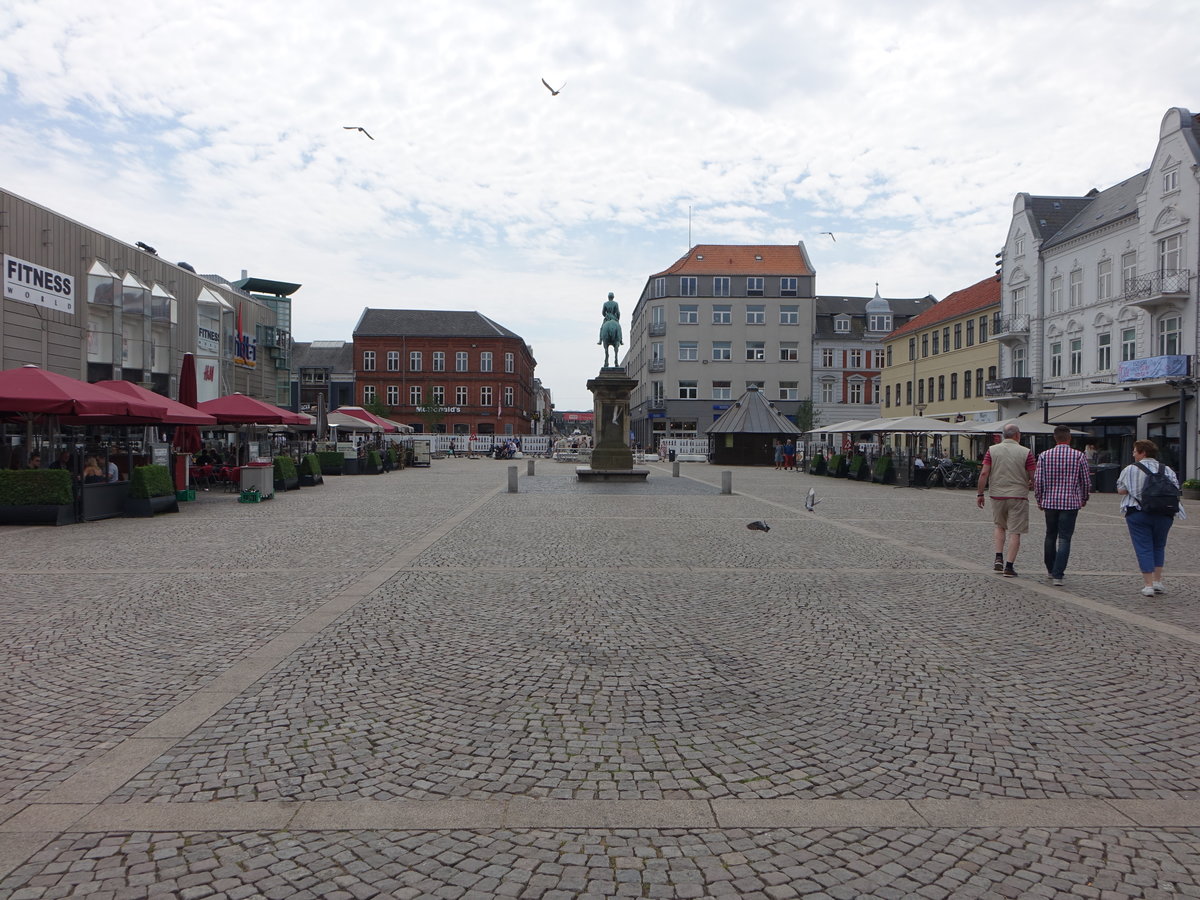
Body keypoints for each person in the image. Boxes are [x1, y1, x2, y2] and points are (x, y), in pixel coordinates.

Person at [1116, 439, 1187, 596]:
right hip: (1165, 513)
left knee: (1144, 547)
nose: (1133, 454)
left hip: (1138, 512)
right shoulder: (1166, 469)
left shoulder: (1130, 469)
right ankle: (1157, 582)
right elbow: (1175, 488)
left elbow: (1121, 489)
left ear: (1143, 452)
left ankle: (1148, 585)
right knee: (1159, 546)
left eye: (1135, 451)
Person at [976, 423, 1035, 578]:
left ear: (1004, 435)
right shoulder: (1026, 452)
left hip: (997, 495)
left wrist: (980, 494)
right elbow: (1033, 475)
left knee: (999, 526)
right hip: (1018, 496)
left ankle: (998, 557)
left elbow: (984, 473)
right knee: (1015, 532)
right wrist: (1032, 484)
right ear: (1017, 435)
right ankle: (1009, 566)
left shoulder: (992, 450)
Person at [1034, 425, 1091, 586]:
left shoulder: (1044, 456)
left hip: (1050, 502)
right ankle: (1058, 574)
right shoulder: (1079, 456)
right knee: (1065, 538)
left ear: (1054, 437)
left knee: (1050, 535)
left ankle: (1051, 569)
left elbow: (1039, 481)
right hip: (1070, 502)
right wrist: (1084, 497)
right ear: (1069, 438)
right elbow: (1086, 481)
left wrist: (1039, 499)